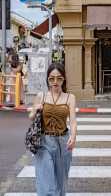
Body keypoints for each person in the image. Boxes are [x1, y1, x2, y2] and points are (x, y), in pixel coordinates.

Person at [29, 62, 77, 196]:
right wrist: (35, 109)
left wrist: (73, 137)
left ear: (64, 79)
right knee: (46, 183)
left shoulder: (70, 98)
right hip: (44, 141)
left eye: (59, 78)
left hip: (63, 142)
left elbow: (72, 121)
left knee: (61, 182)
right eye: (51, 78)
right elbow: (31, 117)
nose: (55, 82)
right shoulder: (41, 96)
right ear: (47, 79)